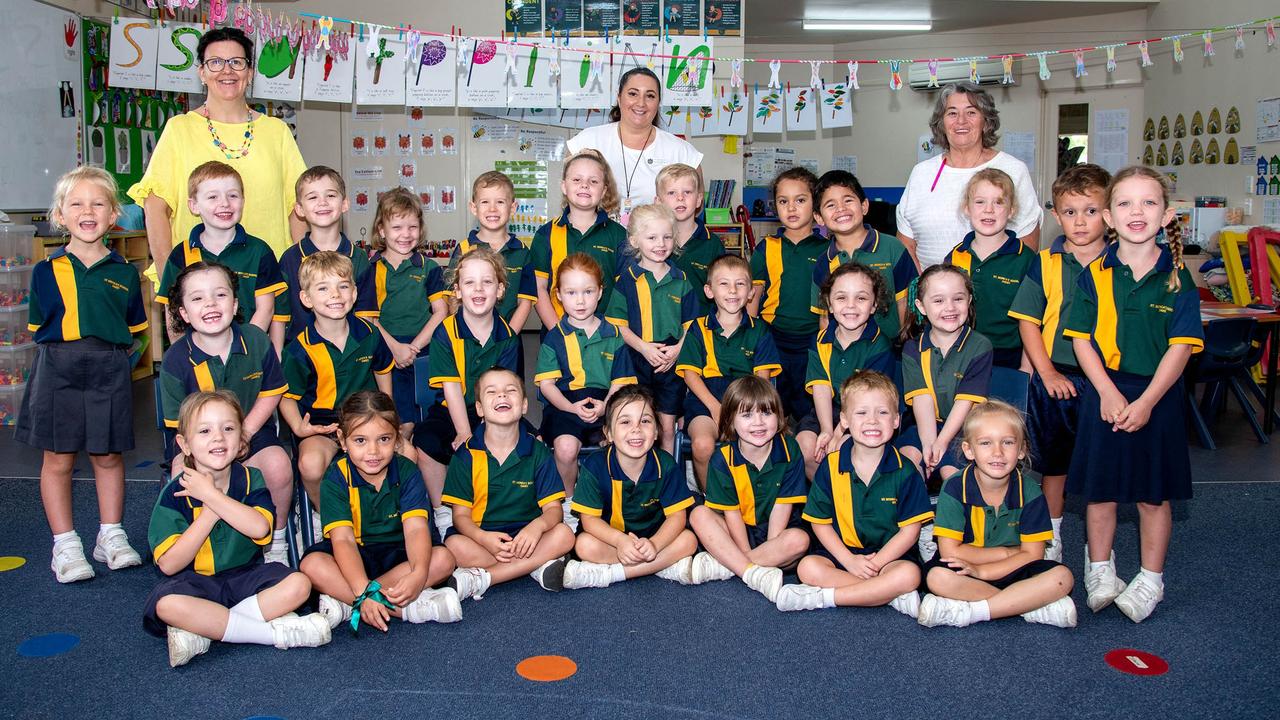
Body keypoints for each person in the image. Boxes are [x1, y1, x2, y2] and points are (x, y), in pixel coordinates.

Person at [1063, 166, 1203, 623]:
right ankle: (1099, 569)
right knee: (1099, 492)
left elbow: (1181, 347)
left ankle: (1150, 579)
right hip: (1104, 391)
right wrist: (1104, 391)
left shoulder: (1178, 277)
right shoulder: (1095, 273)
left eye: (1148, 202)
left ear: (1165, 215)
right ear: (1108, 215)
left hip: (1156, 396)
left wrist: (1146, 403)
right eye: (1124, 203)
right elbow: (1080, 338)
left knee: (1151, 495)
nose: (1136, 212)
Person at [19, 166, 148, 583]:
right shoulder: (45, 271)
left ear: (114, 216)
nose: (87, 211)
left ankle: (109, 535)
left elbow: (134, 333)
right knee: (58, 458)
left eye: (98, 203)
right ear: (61, 214)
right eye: (77, 203)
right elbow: (39, 328)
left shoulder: (125, 273)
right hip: (57, 367)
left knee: (108, 455)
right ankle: (66, 544)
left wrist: (111, 362)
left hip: (108, 367)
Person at [143, 390, 330, 667]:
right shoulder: (176, 492)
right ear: (184, 444)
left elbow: (259, 528)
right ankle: (269, 634)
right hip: (196, 582)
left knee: (300, 584)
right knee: (167, 605)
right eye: (204, 431)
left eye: (228, 428)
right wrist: (209, 513)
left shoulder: (251, 478)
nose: (218, 437)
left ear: (241, 437)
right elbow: (169, 564)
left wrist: (213, 497)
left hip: (247, 577)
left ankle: (206, 631)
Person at [129, 26, 306, 279]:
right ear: (201, 72)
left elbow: (297, 208)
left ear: (250, 72)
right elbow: (156, 208)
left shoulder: (276, 132)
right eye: (215, 62)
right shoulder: (179, 129)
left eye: (237, 62)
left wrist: (301, 277)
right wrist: (171, 281)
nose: (227, 70)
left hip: (269, 280)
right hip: (199, 285)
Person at [1007, 163, 1111, 562]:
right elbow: (1029, 322)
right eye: (1070, 212)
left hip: (1108, 380)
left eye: (1090, 210)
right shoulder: (1047, 262)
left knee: (1102, 462)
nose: (1080, 221)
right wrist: (1045, 371)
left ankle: (1099, 550)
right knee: (1054, 462)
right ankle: (1051, 534)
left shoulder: (1120, 263)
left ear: (1109, 213)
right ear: (1056, 215)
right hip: (1056, 378)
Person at [159, 261, 293, 564]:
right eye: (197, 299)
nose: (209, 304)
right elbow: (177, 428)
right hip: (198, 443)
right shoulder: (175, 360)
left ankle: (277, 541)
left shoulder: (257, 341)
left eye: (219, 295)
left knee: (279, 465)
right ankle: (195, 546)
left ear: (234, 305)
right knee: (184, 473)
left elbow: (272, 391)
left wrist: (243, 433)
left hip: (250, 432)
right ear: (183, 313)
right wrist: (206, 448)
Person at [299, 391, 461, 632]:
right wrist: (362, 587)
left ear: (397, 439)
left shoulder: (407, 471)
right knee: (312, 565)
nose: (373, 452)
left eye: (384, 439)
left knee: (443, 560)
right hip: (355, 554)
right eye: (360, 441)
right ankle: (402, 608)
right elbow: (342, 540)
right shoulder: (335, 477)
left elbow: (416, 530)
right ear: (343, 441)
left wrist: (417, 574)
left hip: (399, 553)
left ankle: (351, 603)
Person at [773, 371, 931, 617]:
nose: (872, 421)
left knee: (908, 574)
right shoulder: (831, 466)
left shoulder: (906, 471)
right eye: (861, 412)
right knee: (808, 567)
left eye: (883, 412)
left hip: (889, 557)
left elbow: (910, 531)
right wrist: (849, 561)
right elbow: (820, 523)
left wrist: (876, 564)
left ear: (897, 420)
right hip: (843, 554)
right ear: (844, 420)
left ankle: (827, 597)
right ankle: (885, 595)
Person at [917, 401, 1077, 628]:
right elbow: (950, 551)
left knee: (1063, 578)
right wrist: (1006, 553)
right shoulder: (954, 487)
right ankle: (1027, 606)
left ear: (1021, 450)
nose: (997, 452)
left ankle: (974, 611)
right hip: (968, 566)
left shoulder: (1030, 492)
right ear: (969, 450)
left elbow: (1032, 555)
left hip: (1013, 568)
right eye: (985, 443)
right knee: (937, 577)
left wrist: (983, 570)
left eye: (1008, 442)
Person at [441, 368, 577, 600]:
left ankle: (482, 578)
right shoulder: (466, 455)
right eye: (492, 392)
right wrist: (483, 538)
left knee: (565, 534)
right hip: (483, 537)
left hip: (528, 535)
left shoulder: (538, 451)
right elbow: (460, 517)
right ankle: (535, 566)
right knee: (454, 546)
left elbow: (553, 511)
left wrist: (536, 528)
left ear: (524, 406)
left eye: (510, 391)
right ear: (480, 409)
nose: (502, 396)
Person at [418, 247, 522, 533]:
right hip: (452, 410)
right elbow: (450, 387)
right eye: (469, 283)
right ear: (458, 291)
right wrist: (464, 431)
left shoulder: (508, 337)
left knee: (526, 441)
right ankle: (442, 512)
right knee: (426, 443)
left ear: (500, 290)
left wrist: (491, 427)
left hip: (494, 409)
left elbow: (506, 391)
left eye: (487, 282)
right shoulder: (445, 333)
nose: (478, 289)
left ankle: (505, 510)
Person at [280, 251, 394, 506]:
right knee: (310, 465)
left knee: (407, 454)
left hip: (366, 419)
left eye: (343, 286)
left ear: (354, 293)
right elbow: (286, 396)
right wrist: (299, 427)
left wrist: (388, 414)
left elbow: (383, 370)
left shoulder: (369, 333)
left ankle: (383, 514)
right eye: (323, 288)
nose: (335, 295)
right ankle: (327, 515)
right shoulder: (299, 349)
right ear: (306, 298)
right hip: (323, 427)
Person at [562, 386, 699, 589]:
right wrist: (620, 541)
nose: (636, 429)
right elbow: (589, 520)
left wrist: (654, 545)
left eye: (645, 421)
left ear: (656, 432)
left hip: (654, 539)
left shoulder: (666, 464)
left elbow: (677, 517)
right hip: (611, 541)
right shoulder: (595, 465)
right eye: (625, 422)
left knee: (689, 540)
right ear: (608, 433)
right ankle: (661, 566)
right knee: (584, 545)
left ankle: (613, 573)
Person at [535, 253, 637, 526]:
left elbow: (622, 381)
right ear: (558, 295)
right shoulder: (554, 336)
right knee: (566, 448)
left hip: (609, 402)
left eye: (588, 291)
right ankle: (568, 504)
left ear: (600, 292)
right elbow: (546, 386)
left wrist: (607, 406)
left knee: (623, 442)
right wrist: (570, 407)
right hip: (566, 405)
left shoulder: (614, 334)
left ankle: (611, 502)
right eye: (571, 292)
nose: (580, 301)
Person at [896, 82, 1042, 269]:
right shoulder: (921, 173)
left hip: (995, 293)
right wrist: (924, 290)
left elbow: (1027, 246)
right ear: (942, 122)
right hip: (930, 293)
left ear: (986, 121)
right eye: (952, 113)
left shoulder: (1013, 170)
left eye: (971, 112)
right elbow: (906, 244)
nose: (961, 121)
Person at [687, 377, 809, 601]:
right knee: (699, 514)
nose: (758, 422)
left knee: (799, 541)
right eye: (747, 415)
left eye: (766, 413)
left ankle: (728, 567)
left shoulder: (790, 449)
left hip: (776, 535)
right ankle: (751, 570)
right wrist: (744, 551)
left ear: (779, 416)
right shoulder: (722, 458)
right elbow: (731, 513)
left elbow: (783, 505)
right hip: (737, 533)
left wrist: (768, 547)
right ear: (731, 421)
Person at [355, 188, 448, 460]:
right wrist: (395, 348)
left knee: (429, 421)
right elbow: (369, 317)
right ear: (381, 230)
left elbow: (440, 312)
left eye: (412, 227)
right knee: (399, 422)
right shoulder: (371, 268)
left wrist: (414, 348)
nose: (405, 234)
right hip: (386, 352)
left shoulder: (429, 268)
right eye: (396, 227)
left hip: (423, 350)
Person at [675, 254, 781, 487]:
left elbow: (762, 380)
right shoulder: (698, 327)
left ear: (751, 292)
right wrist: (715, 407)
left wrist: (742, 411)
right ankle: (709, 497)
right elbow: (690, 374)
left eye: (740, 284)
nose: (732, 291)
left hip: (747, 400)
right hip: (706, 400)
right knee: (702, 446)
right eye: (724, 283)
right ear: (709, 290)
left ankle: (750, 493)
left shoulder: (760, 330)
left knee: (758, 440)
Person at [605, 203, 700, 454]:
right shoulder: (626, 280)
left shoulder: (681, 280)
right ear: (635, 241)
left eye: (667, 236)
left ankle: (668, 481)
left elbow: (693, 325)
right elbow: (618, 325)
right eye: (652, 237)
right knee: (637, 422)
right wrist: (644, 348)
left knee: (666, 428)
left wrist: (678, 350)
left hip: (671, 363)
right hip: (636, 358)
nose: (661, 243)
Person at [154, 161, 285, 344]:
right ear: (194, 206)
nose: (224, 203)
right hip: (197, 357)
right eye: (212, 197)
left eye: (233, 195)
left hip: (247, 353)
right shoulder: (180, 255)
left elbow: (266, 309)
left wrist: (245, 349)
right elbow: (173, 310)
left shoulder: (259, 251)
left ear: (243, 201)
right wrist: (184, 354)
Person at [796, 262, 896, 478]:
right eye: (841, 298)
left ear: (873, 305)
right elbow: (820, 386)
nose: (851, 306)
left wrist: (840, 432)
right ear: (829, 305)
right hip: (829, 411)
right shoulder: (821, 340)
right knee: (805, 448)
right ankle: (828, 501)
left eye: (861, 298)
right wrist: (826, 430)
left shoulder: (879, 346)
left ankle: (852, 504)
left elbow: (868, 400)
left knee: (843, 450)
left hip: (867, 414)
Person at [898, 265, 993, 485]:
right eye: (938, 301)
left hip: (966, 429)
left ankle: (953, 518)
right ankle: (918, 517)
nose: (949, 308)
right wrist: (929, 443)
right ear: (921, 306)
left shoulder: (980, 345)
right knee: (906, 464)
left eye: (958, 299)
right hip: (928, 425)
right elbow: (922, 400)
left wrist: (941, 443)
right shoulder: (913, 348)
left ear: (969, 300)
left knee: (951, 474)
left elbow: (965, 402)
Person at [565, 67, 703, 214]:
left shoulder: (682, 152)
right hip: (597, 236)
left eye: (650, 96)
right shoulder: (587, 141)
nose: (641, 103)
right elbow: (568, 197)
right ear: (619, 98)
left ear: (658, 103)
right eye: (633, 94)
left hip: (659, 236)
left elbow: (696, 209)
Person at [749, 167, 827, 422]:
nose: (791, 208)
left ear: (815, 204)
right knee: (773, 412)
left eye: (800, 200)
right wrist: (750, 338)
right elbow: (753, 298)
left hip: (813, 343)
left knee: (810, 414)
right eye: (783, 201)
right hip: (774, 340)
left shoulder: (829, 249)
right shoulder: (766, 247)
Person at [810, 170, 916, 341]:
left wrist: (904, 344)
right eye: (830, 205)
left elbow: (905, 303)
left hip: (891, 352)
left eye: (848, 200)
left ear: (864, 206)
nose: (841, 209)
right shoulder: (824, 262)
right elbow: (824, 318)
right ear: (819, 218)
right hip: (846, 353)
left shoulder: (892, 248)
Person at [946, 168, 1035, 369]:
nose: (989, 210)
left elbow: (1033, 320)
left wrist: (1027, 367)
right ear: (967, 208)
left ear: (1011, 210)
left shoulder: (1026, 259)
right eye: (980, 202)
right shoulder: (955, 256)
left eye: (999, 202)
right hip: (962, 352)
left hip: (1009, 357)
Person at [531, 150, 627, 330]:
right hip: (558, 334)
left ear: (604, 190)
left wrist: (609, 333)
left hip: (607, 338)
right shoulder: (545, 234)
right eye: (577, 180)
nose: (585, 185)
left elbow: (624, 292)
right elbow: (539, 289)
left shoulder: (619, 235)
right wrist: (559, 333)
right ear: (564, 186)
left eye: (593, 181)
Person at [276, 166, 370, 348]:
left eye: (331, 195)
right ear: (299, 209)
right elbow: (280, 317)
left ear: (344, 204)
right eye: (312, 197)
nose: (323, 202)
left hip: (349, 354)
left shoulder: (358, 257)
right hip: (301, 358)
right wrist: (278, 358)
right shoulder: (290, 258)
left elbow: (366, 315)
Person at [447, 171, 537, 335]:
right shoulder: (464, 249)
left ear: (513, 207)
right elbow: (453, 298)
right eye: (485, 202)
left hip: (509, 339)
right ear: (474, 207)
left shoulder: (523, 252)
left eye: (500, 202)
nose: (492, 208)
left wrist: (507, 336)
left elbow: (525, 302)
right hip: (470, 339)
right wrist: (466, 333)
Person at [656, 163, 726, 313]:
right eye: (671, 193)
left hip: (701, 328)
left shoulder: (713, 244)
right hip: (660, 327)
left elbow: (723, 290)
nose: (680, 198)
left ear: (699, 199)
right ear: (659, 202)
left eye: (687, 192)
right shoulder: (651, 243)